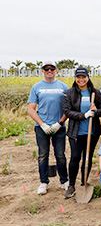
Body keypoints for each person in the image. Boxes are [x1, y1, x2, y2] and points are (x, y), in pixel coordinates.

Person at [62, 67, 101, 199]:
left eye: (83, 77)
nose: (81, 80)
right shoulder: (69, 94)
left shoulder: (95, 93)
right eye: (78, 77)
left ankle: (84, 182)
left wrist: (95, 111)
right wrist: (84, 115)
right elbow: (67, 111)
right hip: (76, 132)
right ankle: (71, 185)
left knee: (87, 157)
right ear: (75, 78)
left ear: (88, 78)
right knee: (75, 157)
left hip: (92, 132)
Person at [27, 61, 69, 195]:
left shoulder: (63, 86)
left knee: (60, 155)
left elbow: (67, 108)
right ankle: (44, 182)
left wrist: (59, 123)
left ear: (56, 70)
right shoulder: (36, 87)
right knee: (43, 155)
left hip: (59, 127)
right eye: (46, 69)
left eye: (52, 68)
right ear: (42, 71)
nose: (49, 71)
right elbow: (31, 109)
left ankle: (64, 181)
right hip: (42, 127)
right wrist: (42, 124)